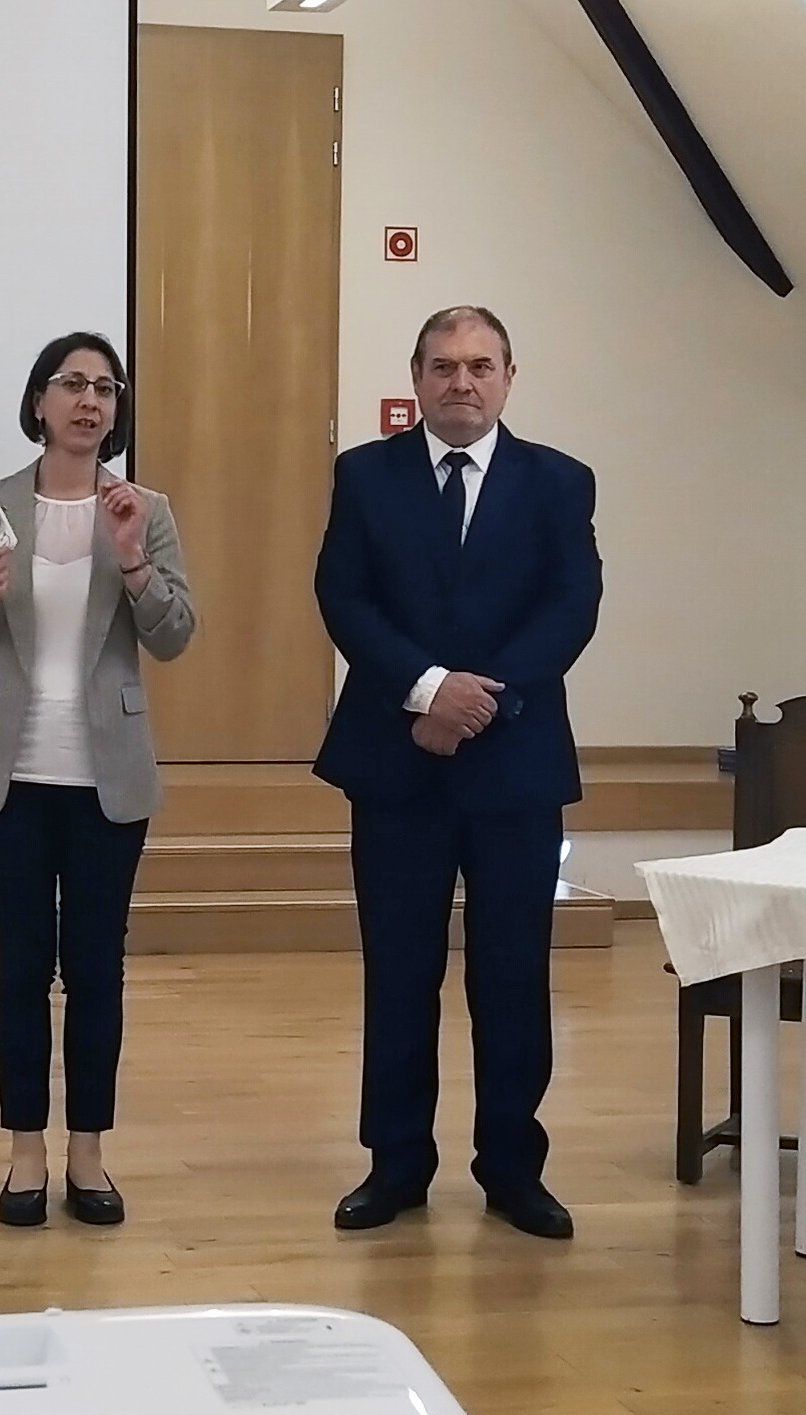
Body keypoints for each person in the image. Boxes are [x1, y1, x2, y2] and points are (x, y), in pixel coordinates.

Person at [314, 307, 602, 1238]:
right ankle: (395, 1165)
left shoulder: (558, 481)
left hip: (514, 766)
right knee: (399, 973)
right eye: (442, 367)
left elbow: (571, 607)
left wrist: (479, 702)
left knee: (512, 976)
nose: (461, 382)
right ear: (416, 379)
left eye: (480, 366)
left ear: (509, 377)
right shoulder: (365, 475)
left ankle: (512, 1168)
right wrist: (427, 689)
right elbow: (343, 597)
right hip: (395, 763)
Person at [0, 331, 195, 1227]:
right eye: (72, 384)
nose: (89, 400)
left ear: (117, 410)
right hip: (7, 773)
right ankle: (24, 1155)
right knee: (17, 971)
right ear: (38, 402)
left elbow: (174, 635)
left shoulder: (143, 509)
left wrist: (133, 557)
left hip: (105, 776)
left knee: (95, 972)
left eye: (105, 388)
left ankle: (87, 1154)